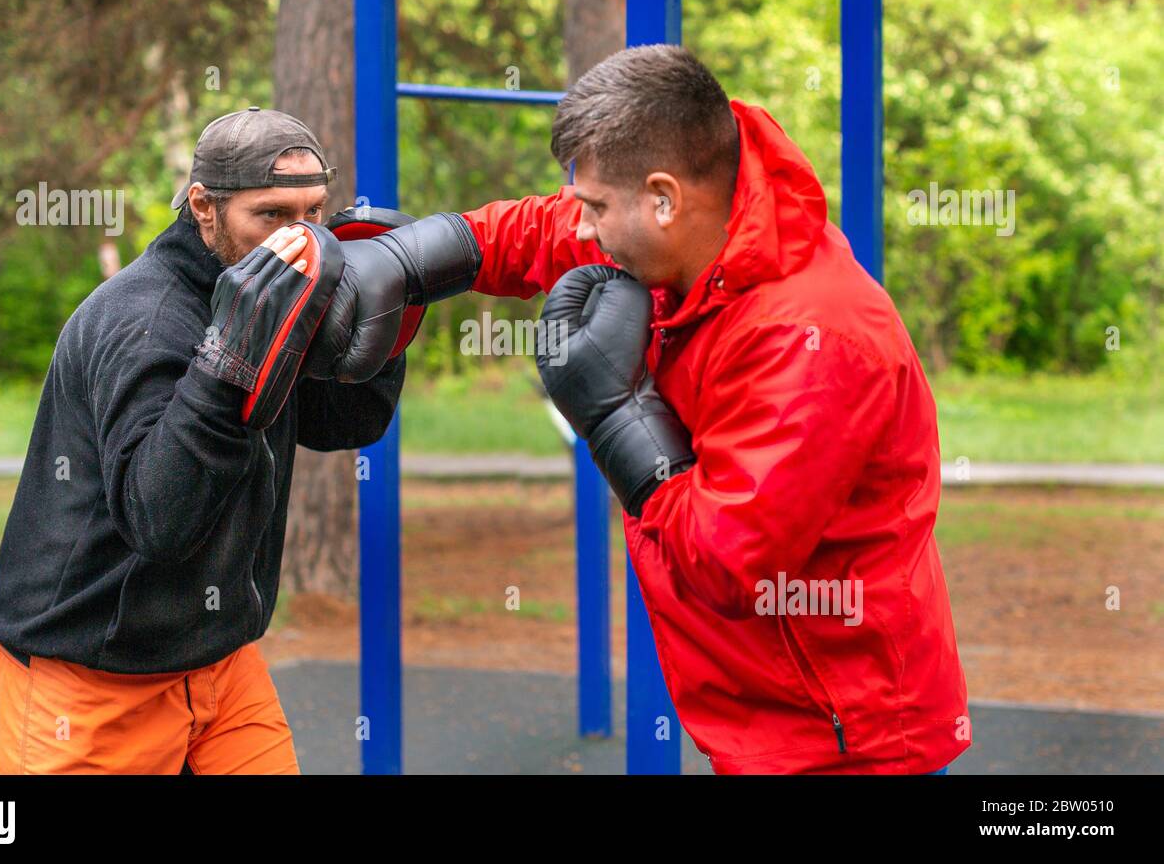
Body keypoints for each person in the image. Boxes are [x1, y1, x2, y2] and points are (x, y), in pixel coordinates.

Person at [314, 45, 971, 774]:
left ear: (663, 196)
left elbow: (727, 562)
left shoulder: (812, 339)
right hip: (765, 715)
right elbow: (540, 230)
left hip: (844, 733)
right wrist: (415, 258)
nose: (583, 226)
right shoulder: (685, 236)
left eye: (596, 206)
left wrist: (614, 417)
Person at [0, 107, 412, 774]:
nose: (300, 239)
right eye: (271, 215)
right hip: (93, 681)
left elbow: (341, 425)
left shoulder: (274, 295)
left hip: (219, 664)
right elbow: (162, 519)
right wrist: (226, 368)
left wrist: (387, 331)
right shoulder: (144, 323)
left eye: (314, 211)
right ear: (205, 208)